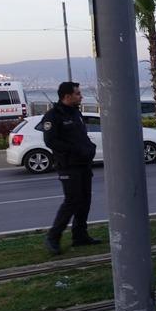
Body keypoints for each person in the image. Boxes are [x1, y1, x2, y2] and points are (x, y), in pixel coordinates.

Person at [42, 82, 100, 255]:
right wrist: (76, 150)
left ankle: (80, 236)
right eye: (78, 93)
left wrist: (89, 147)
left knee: (85, 201)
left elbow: (81, 136)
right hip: (68, 166)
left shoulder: (75, 113)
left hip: (83, 164)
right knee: (72, 202)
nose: (81, 96)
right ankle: (53, 237)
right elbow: (51, 141)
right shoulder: (53, 116)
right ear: (67, 96)